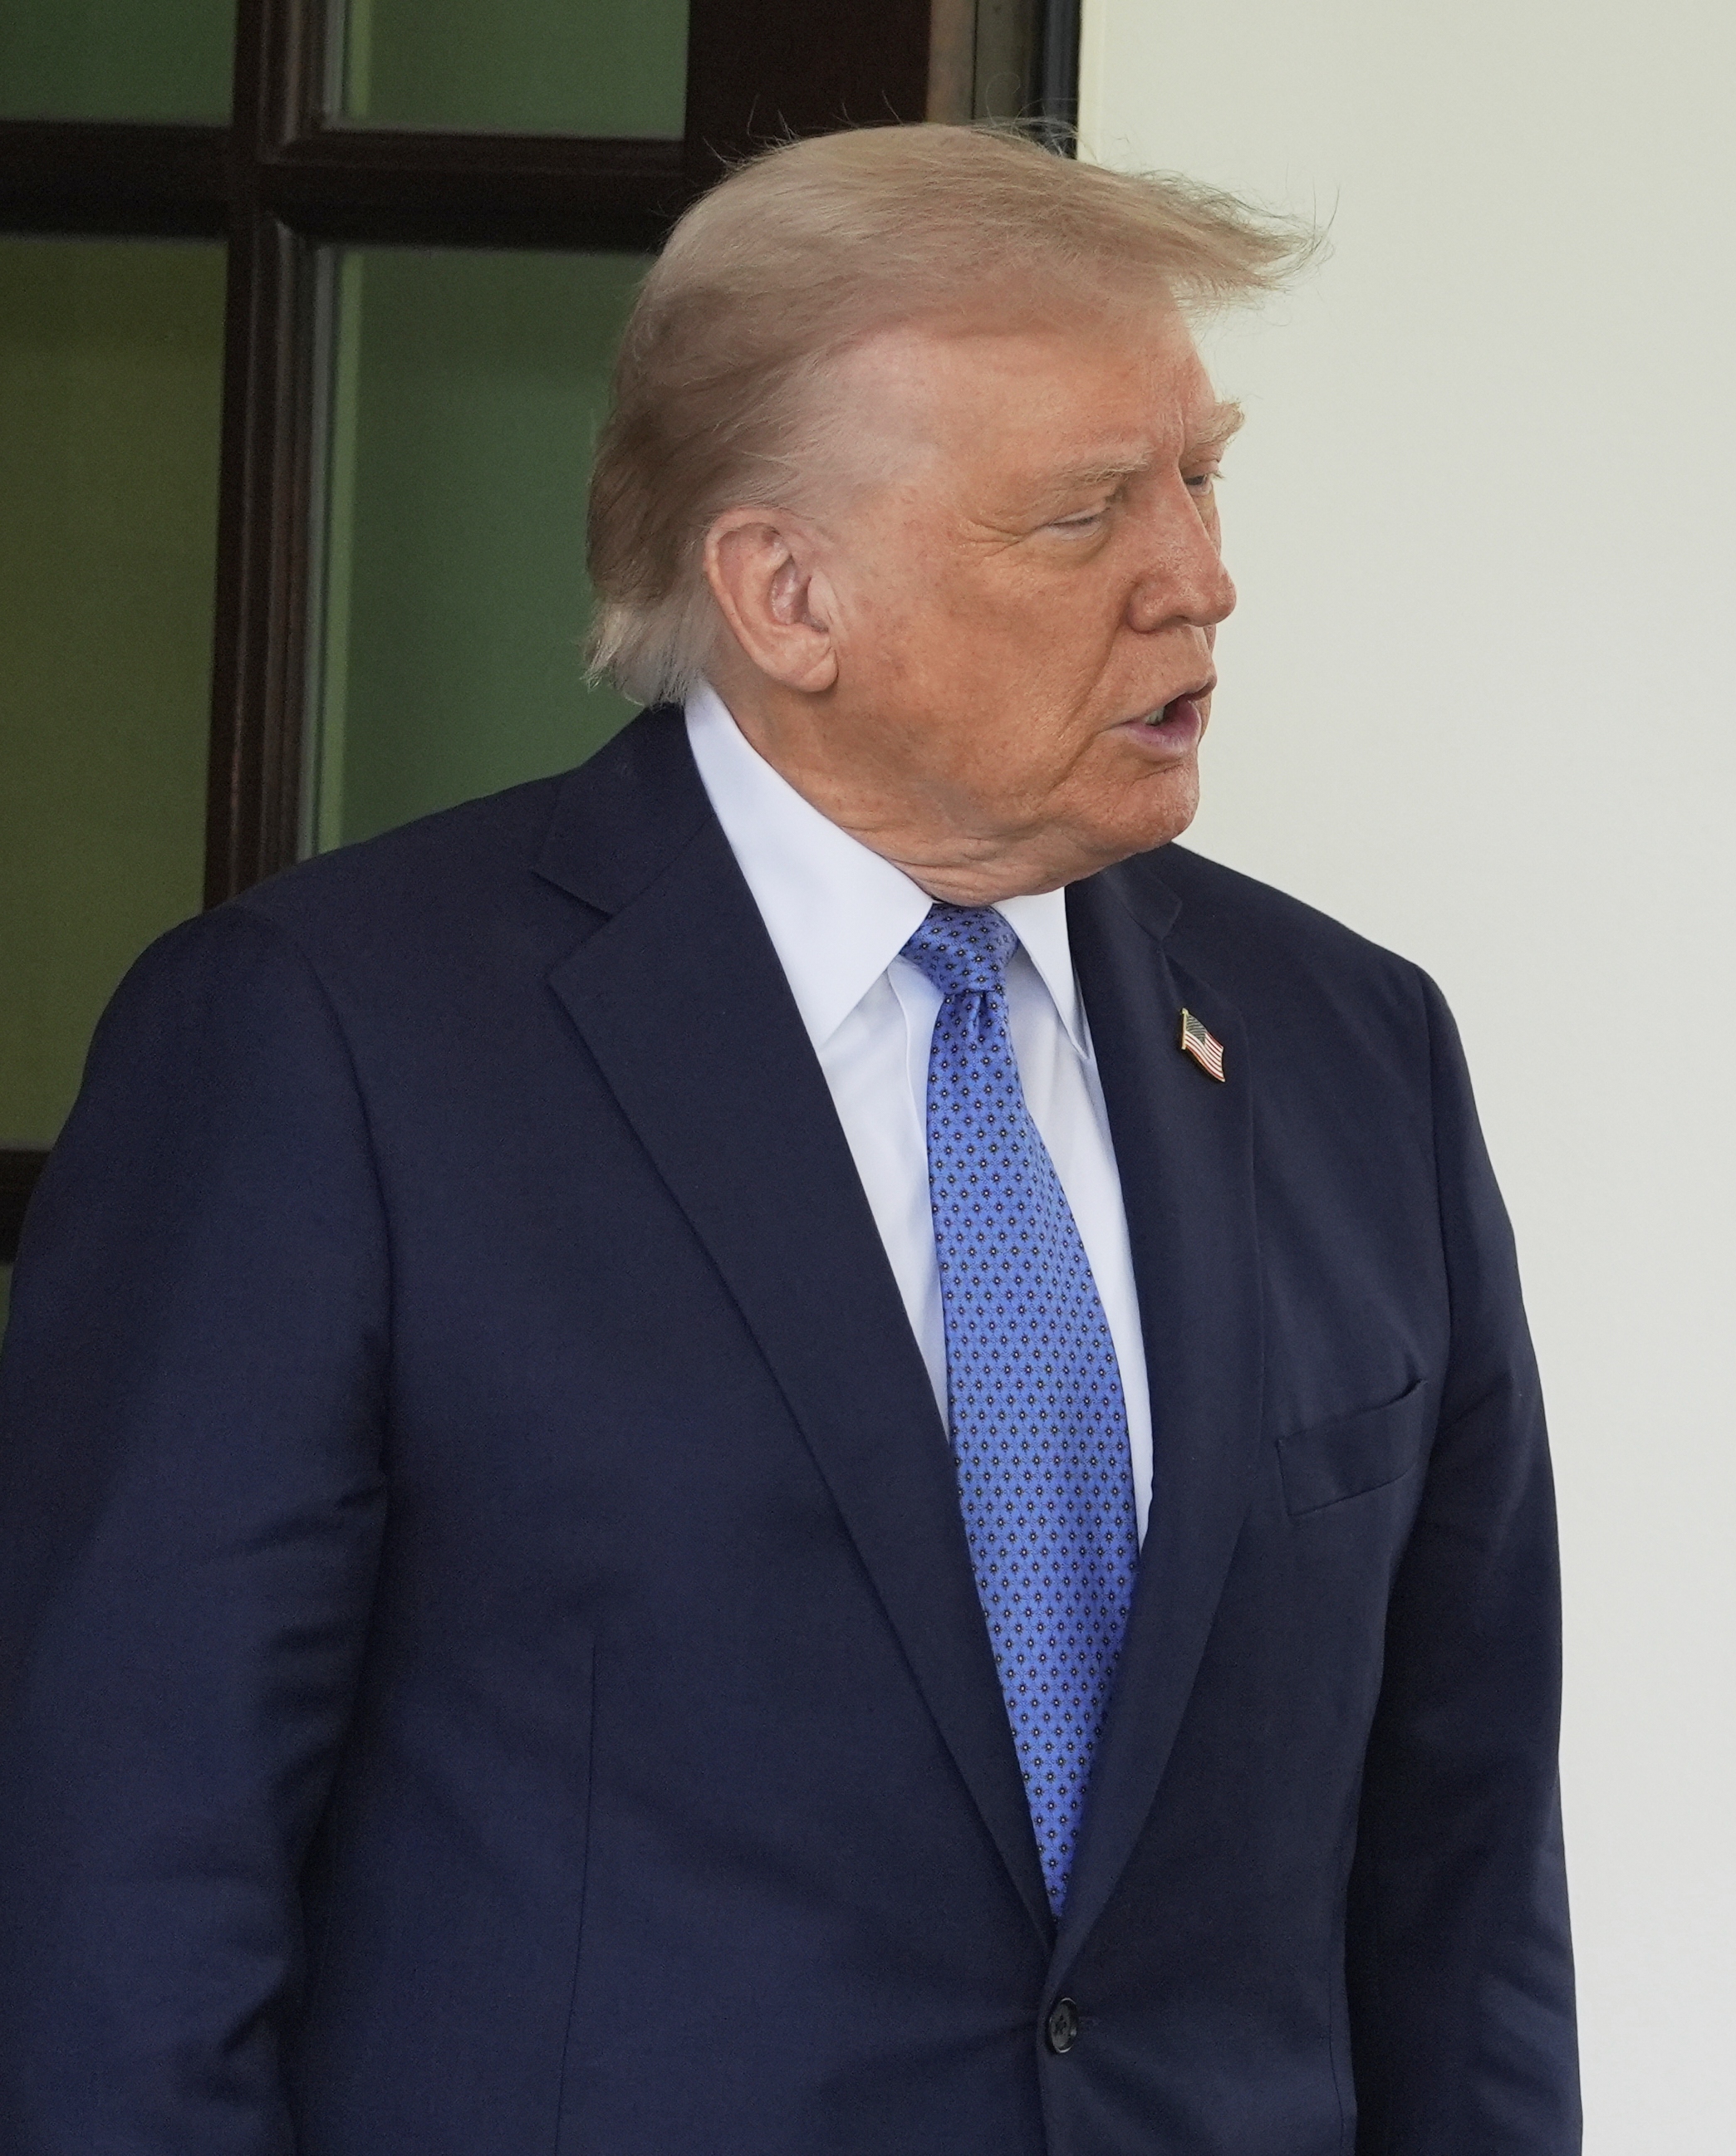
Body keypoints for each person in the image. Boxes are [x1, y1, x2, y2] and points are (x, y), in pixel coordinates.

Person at [0, 124, 1576, 2156]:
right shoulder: (325, 1045)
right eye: (1086, 513)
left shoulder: (1353, 1048)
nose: (1200, 575)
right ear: (784, 591)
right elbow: (123, 1894)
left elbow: (1462, 1883)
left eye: (1202, 474)